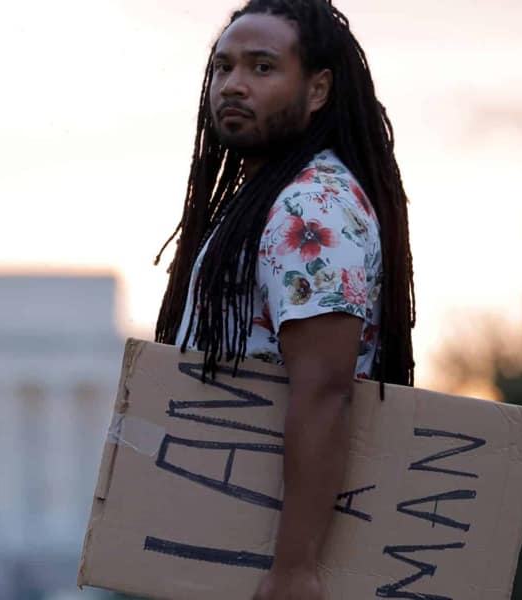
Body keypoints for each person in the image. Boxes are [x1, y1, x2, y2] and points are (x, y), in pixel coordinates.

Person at [151, 1, 415, 598]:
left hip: (270, 561)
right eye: (223, 68)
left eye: (263, 68)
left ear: (318, 89)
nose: (233, 85)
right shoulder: (267, 198)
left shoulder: (311, 206)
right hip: (229, 536)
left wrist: (294, 570)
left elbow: (324, 390)